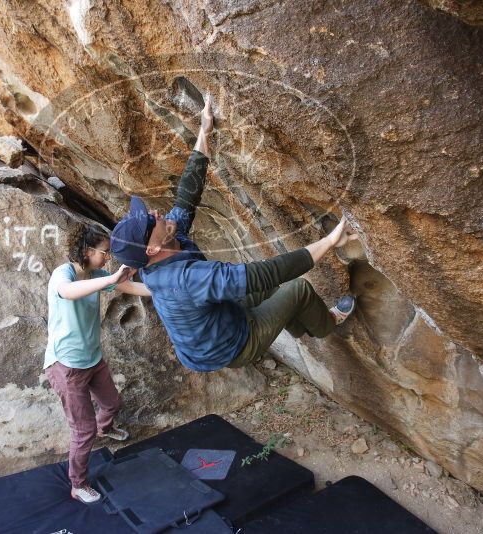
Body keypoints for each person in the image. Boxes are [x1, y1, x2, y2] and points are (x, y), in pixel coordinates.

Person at [109, 94, 359, 373]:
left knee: (276, 291)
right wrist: (330, 240)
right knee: (297, 288)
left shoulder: (164, 248)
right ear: (152, 250)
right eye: (147, 223)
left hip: (215, 320)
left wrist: (204, 133)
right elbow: (265, 273)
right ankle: (326, 325)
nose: (154, 214)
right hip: (231, 347)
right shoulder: (189, 279)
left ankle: (300, 325)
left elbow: (186, 199)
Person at [44, 224, 151, 504]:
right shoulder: (63, 274)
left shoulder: (97, 274)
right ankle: (78, 484)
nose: (108, 258)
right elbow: (68, 292)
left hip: (92, 358)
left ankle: (105, 428)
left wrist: (166, 290)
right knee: (83, 430)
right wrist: (111, 278)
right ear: (88, 251)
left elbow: (131, 286)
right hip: (66, 366)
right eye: (105, 253)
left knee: (112, 403)